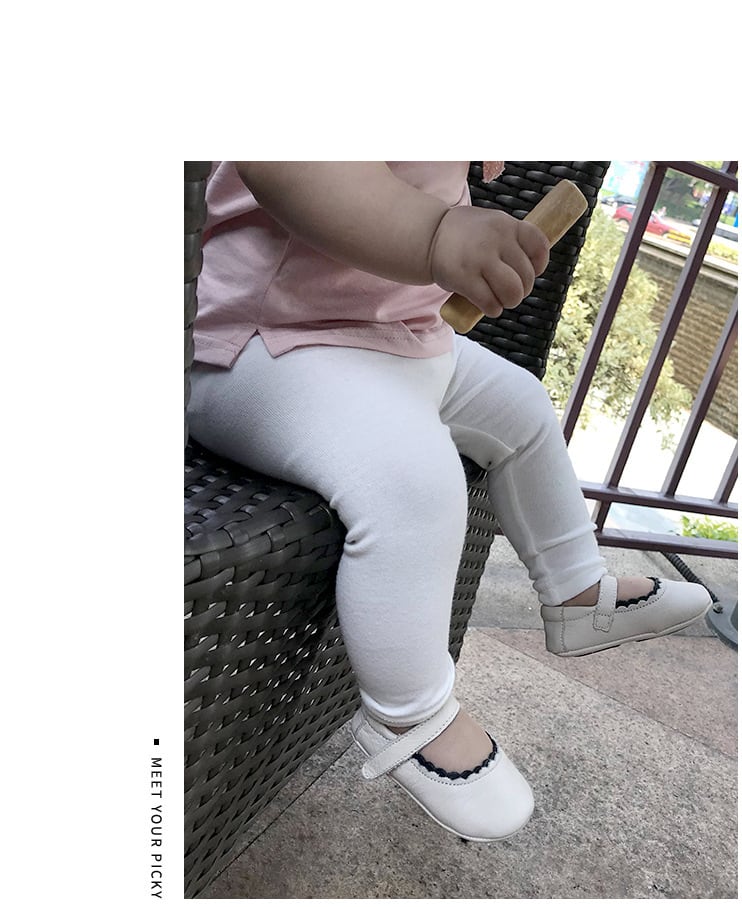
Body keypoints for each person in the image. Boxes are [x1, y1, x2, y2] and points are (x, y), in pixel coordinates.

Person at [188, 161, 711, 844]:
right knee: (415, 480)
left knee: (523, 407)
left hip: (402, 337)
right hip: (269, 346)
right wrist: (438, 233)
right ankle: (409, 713)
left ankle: (579, 591)